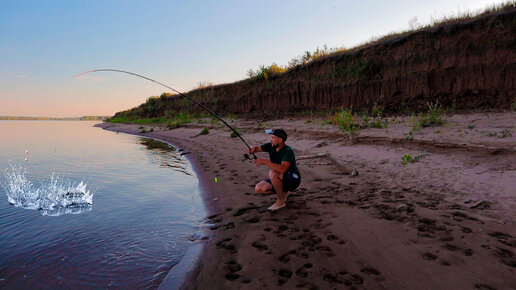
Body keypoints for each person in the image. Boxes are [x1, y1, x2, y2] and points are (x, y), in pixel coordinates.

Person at [248, 129, 301, 211]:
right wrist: (252, 148)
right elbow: (257, 148)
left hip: (294, 179)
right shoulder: (271, 146)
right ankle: (284, 192)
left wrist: (265, 161)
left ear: (280, 140)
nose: (271, 140)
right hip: (280, 177)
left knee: (273, 172)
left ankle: (280, 201)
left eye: (273, 138)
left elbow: (283, 169)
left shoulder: (288, 151)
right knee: (259, 188)